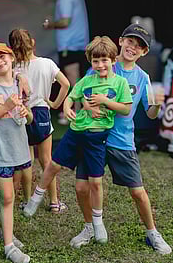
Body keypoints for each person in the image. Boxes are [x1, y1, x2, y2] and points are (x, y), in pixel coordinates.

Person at [71, 23, 172, 255]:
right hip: (94, 136)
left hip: (122, 141)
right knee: (81, 187)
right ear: (121, 41)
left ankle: (152, 233)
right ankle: (89, 228)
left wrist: (157, 104)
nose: (132, 48)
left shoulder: (142, 77)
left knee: (137, 192)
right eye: (130, 41)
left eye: (139, 46)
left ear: (144, 52)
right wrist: (86, 105)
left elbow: (149, 113)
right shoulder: (101, 64)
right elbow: (82, 95)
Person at [23, 36, 132, 245]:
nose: (100, 65)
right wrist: (66, 108)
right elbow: (71, 97)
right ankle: (36, 197)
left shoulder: (120, 83)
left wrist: (105, 101)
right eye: (96, 61)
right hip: (76, 131)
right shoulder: (86, 80)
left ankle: (98, 222)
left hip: (97, 137)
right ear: (90, 62)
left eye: (104, 60)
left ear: (113, 60)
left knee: (96, 182)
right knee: (53, 164)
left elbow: (126, 109)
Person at [0, 43, 33, 263]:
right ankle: (9, 247)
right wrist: (4, 107)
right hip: (0, 151)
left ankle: (5, 232)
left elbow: (28, 119)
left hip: (19, 150)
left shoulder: (21, 85)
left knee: (13, 194)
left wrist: (25, 112)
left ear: (11, 59)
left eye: (2, 57)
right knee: (7, 197)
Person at [8, 28, 70, 213]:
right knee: (46, 160)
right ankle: (54, 202)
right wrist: (55, 103)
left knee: (26, 161)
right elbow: (65, 84)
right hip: (42, 112)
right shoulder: (47, 63)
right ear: (33, 42)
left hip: (21, 113)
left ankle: (27, 201)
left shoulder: (13, 69)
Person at [43, 0, 89, 124]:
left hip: (69, 44)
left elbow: (64, 21)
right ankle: (76, 110)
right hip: (78, 42)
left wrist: (50, 25)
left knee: (71, 79)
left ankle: (75, 112)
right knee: (75, 78)